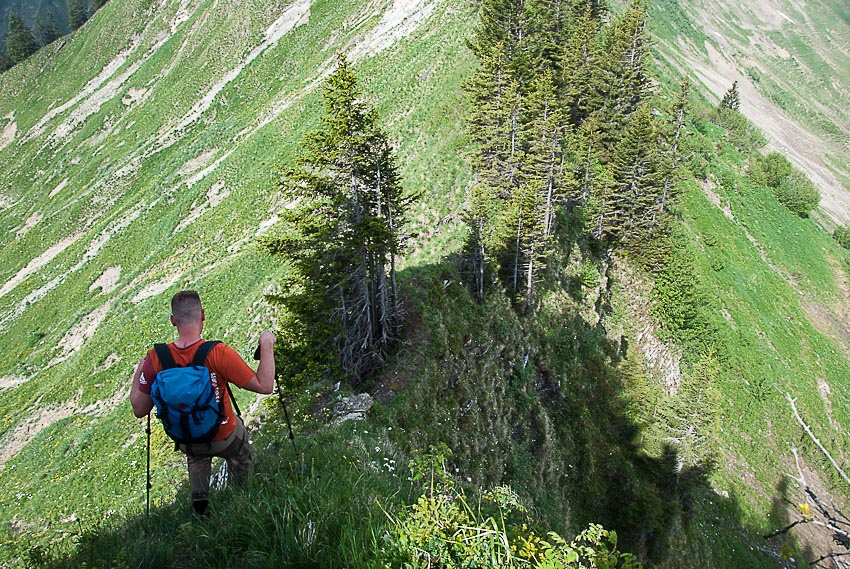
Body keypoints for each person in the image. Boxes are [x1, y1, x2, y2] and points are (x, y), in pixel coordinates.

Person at [130, 290, 276, 517]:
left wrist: (140, 369)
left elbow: (139, 409)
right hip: (224, 436)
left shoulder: (156, 357)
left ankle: (200, 506)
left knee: (196, 453)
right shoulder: (218, 353)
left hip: (186, 440)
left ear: (173, 321)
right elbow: (264, 385)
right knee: (238, 439)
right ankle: (242, 493)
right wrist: (266, 344)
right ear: (203, 315)